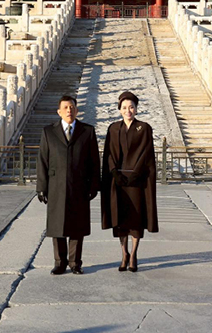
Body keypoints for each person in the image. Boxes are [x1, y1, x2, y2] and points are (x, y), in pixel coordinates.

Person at [37, 94, 101, 275]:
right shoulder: (49, 132)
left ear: (77, 110)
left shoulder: (87, 131)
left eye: (72, 107)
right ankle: (59, 262)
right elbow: (42, 161)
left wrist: (94, 185)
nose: (69, 110)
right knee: (57, 226)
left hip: (79, 185)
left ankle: (75, 263)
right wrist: (41, 187)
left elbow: (94, 161)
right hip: (55, 185)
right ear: (59, 111)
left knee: (77, 225)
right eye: (65, 107)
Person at [101, 91, 159, 272]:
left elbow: (147, 153)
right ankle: (123, 253)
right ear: (119, 110)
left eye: (131, 107)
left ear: (136, 109)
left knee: (135, 219)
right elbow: (109, 153)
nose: (128, 111)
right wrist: (113, 172)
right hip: (118, 180)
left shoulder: (144, 128)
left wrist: (136, 173)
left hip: (136, 180)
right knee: (121, 220)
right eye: (124, 108)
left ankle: (133, 254)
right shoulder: (113, 128)